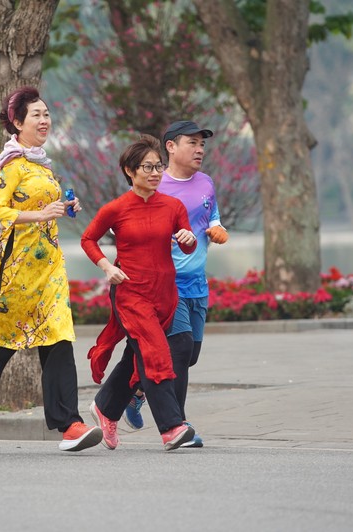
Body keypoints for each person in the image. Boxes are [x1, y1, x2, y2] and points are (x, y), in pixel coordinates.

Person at [0, 86, 102, 454]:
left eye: (47, 113)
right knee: (1, 345)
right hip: (16, 271)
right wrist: (40, 213)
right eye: (36, 114)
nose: (44, 120)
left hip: (49, 270)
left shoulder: (40, 164)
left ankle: (68, 424)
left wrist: (65, 207)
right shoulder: (11, 167)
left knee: (59, 337)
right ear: (17, 123)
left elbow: (43, 206)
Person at [83, 134, 198, 451]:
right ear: (129, 171)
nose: (156, 172)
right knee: (153, 353)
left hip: (164, 295)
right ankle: (172, 427)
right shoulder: (116, 209)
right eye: (147, 167)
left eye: (159, 166)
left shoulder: (173, 206)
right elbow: (88, 240)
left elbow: (187, 240)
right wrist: (107, 267)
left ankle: (106, 408)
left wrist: (188, 239)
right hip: (130, 293)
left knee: (137, 354)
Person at [123, 120, 229, 448]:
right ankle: (177, 425)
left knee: (190, 354)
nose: (200, 150)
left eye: (202, 144)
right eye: (192, 143)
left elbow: (212, 217)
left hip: (198, 282)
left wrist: (218, 229)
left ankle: (137, 390)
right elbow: (124, 226)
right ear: (170, 146)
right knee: (180, 351)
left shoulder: (206, 183)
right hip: (167, 285)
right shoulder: (154, 184)